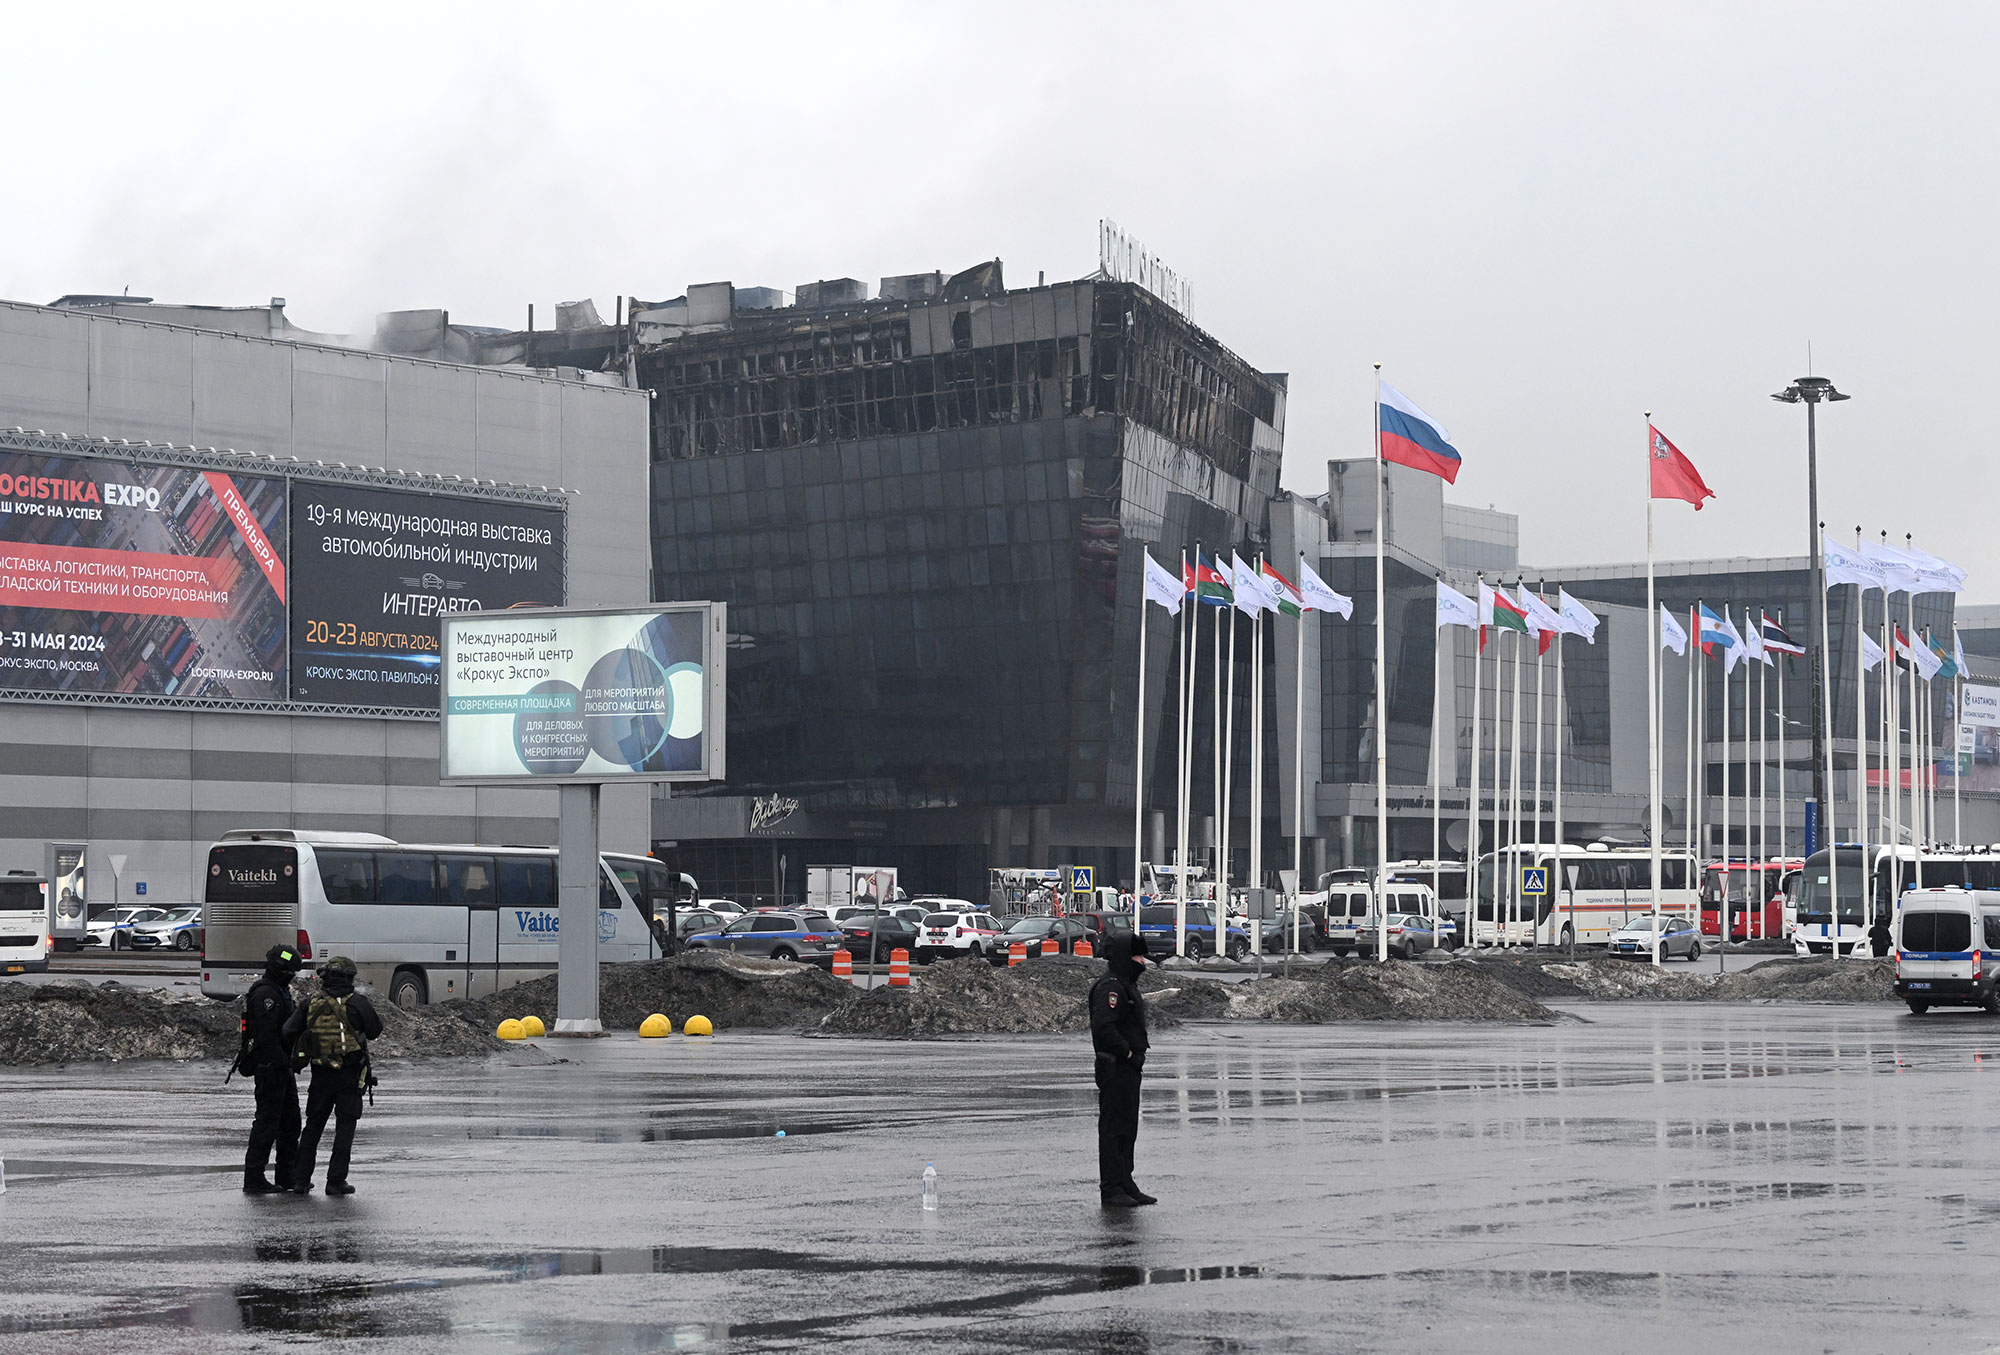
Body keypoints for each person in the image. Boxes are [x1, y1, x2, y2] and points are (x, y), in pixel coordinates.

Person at [283, 955, 383, 1196]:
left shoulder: (310, 1003)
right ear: (349, 978)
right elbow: (374, 1031)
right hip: (349, 1075)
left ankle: (300, 1180)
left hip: (320, 1075)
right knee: (344, 1129)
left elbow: (288, 1031)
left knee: (313, 1128)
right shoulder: (358, 1003)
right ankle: (336, 1181)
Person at [1089, 931, 1155, 1208]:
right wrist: (1127, 1052)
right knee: (1114, 1128)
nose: (1143, 962)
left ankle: (1126, 1181)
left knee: (1128, 1128)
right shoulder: (1111, 987)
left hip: (1128, 1068)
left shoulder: (1126, 984)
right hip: (1115, 1066)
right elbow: (1104, 1027)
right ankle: (1112, 1187)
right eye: (1138, 956)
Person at [240, 943, 303, 1193]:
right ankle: (254, 1178)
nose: (292, 976)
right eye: (289, 971)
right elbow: (267, 1036)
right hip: (270, 1068)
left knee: (290, 1123)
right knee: (267, 1124)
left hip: (282, 1068)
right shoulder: (266, 995)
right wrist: (281, 1062)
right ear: (280, 970)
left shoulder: (279, 991)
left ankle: (286, 1176)